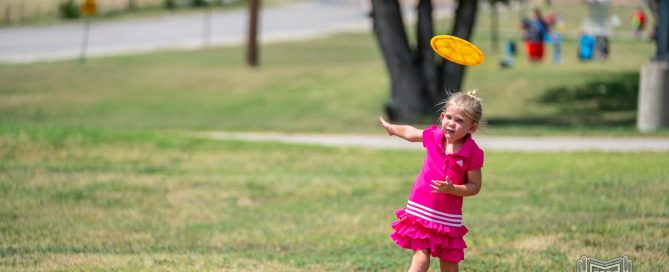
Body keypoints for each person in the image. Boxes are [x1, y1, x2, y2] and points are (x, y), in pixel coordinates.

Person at [379, 91, 485, 272]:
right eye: (449, 117)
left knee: (450, 266)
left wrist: (453, 189)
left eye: (459, 121)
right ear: (442, 117)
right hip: (421, 209)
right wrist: (392, 129)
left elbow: (475, 186)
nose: (451, 123)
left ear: (472, 128)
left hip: (448, 217)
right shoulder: (435, 136)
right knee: (420, 261)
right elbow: (411, 133)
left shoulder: (473, 152)